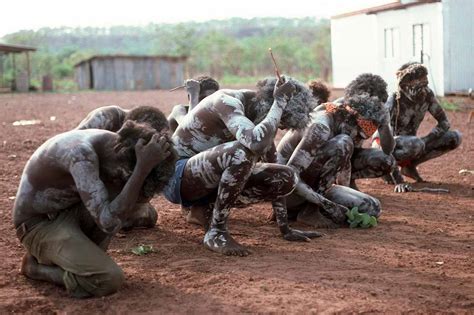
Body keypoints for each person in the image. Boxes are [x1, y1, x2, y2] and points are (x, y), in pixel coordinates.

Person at [14, 122, 176, 298]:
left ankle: (75, 260)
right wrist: (141, 170)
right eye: (124, 176)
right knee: (108, 278)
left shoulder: (113, 146)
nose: (120, 180)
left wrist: (140, 175)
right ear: (123, 160)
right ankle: (36, 269)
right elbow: (109, 223)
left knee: (122, 198)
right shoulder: (81, 154)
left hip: (67, 212)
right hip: (38, 224)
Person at [164, 75, 321, 256]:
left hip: (201, 180)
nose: (278, 125)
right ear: (270, 104)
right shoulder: (226, 101)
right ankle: (216, 232)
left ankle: (205, 208)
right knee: (241, 152)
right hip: (177, 177)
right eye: (280, 120)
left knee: (286, 176)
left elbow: (272, 162)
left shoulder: (259, 119)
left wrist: (285, 229)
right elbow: (255, 143)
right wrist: (279, 103)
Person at [276, 93, 386, 228]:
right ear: (350, 120)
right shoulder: (321, 128)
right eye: (359, 135)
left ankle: (312, 207)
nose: (358, 140)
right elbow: (289, 176)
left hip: (309, 191)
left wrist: (342, 202)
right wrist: (327, 205)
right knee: (344, 142)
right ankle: (310, 211)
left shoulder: (340, 116)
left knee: (372, 207)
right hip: (285, 193)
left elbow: (344, 166)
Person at [76, 105, 170, 229]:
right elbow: (72, 148)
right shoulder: (105, 119)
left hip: (122, 182)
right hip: (91, 181)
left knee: (147, 217)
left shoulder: (159, 136)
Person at [376, 62, 462, 192]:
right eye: (419, 85)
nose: (423, 89)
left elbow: (444, 122)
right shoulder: (394, 100)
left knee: (454, 137)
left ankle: (409, 166)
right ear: (405, 85)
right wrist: (398, 179)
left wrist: (427, 139)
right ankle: (386, 170)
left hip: (412, 145)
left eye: (425, 84)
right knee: (416, 144)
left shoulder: (427, 95)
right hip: (383, 147)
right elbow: (384, 142)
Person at [333, 74, 396, 190]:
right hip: (329, 156)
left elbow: (388, 149)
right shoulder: (339, 107)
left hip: (351, 155)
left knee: (386, 160)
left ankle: (349, 180)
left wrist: (384, 124)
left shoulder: (379, 112)